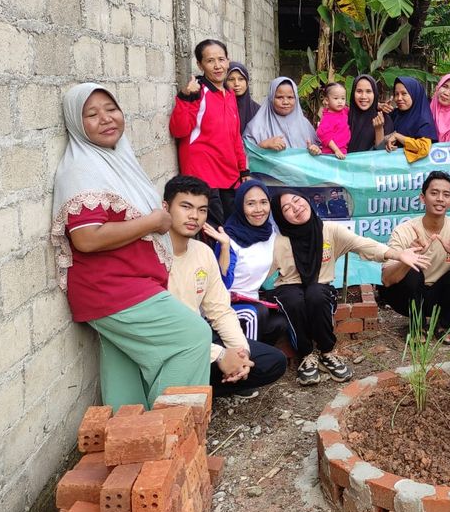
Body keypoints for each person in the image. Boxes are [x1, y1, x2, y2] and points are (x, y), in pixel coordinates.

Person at [52, 84, 210, 410]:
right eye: (91, 115)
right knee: (193, 337)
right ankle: (170, 434)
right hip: (112, 288)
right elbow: (86, 238)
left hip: (124, 285)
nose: (106, 119)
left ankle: (130, 441)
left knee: (124, 377)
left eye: (111, 109)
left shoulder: (113, 161)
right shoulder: (82, 167)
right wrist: (153, 223)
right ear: (75, 123)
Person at [271, 188, 428, 385]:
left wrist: (398, 255)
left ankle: (327, 352)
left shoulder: (329, 230)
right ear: (281, 216)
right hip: (289, 286)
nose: (296, 207)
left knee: (316, 294)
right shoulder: (278, 241)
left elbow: (364, 244)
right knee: (293, 299)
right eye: (287, 208)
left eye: (297, 200)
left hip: (319, 287)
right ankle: (306, 355)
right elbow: (258, 269)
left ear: (306, 200)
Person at [163, 175, 286, 398]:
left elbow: (220, 310)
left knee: (274, 362)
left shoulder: (203, 252)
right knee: (252, 315)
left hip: (203, 334)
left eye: (202, 210)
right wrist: (220, 355)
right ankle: (191, 388)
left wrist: (241, 353)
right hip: (173, 345)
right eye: (185, 207)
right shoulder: (154, 256)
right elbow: (164, 331)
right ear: (165, 207)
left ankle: (213, 386)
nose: (194, 216)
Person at [380, 172, 450, 343]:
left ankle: (444, 324)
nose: (440, 199)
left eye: (446, 194)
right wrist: (409, 257)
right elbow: (387, 280)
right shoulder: (405, 230)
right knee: (412, 269)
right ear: (423, 198)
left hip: (440, 297)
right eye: (434, 193)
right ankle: (417, 326)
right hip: (406, 297)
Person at [169, 39, 248, 228]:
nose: (218, 66)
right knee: (212, 231)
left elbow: (235, 136)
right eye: (210, 60)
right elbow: (179, 130)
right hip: (204, 177)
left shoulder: (229, 94)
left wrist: (243, 170)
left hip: (229, 176)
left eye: (221, 59)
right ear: (200, 64)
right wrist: (186, 98)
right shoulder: (198, 92)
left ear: (228, 61)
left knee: (231, 227)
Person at [215, 179, 288, 347]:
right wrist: (225, 247)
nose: (258, 210)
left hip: (253, 301)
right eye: (251, 204)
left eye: (263, 202)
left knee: (280, 322)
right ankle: (248, 365)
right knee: (256, 313)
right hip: (226, 304)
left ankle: (260, 360)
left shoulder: (269, 234)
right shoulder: (229, 237)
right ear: (240, 206)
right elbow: (221, 283)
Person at [244, 76, 321, 154]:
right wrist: (263, 145)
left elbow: (319, 150)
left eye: (290, 97)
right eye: (279, 97)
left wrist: (315, 150)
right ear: (271, 98)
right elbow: (244, 155)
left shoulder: (305, 125)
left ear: (296, 99)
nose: (285, 102)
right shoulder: (256, 127)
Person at [384, 76, 437, 162]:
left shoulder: (423, 119)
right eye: (396, 94)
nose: (399, 98)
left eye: (404, 93)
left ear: (414, 94)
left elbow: (423, 148)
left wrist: (398, 137)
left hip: (414, 172)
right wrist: (381, 110)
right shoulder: (395, 114)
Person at [347, 75, 392, 152]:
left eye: (368, 91)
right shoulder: (344, 116)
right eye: (359, 91)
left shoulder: (383, 119)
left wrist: (379, 129)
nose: (363, 96)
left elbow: (383, 156)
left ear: (375, 94)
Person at [316, 81, 350, 159]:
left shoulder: (344, 110)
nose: (340, 101)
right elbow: (324, 135)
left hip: (343, 151)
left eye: (343, 98)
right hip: (331, 153)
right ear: (327, 100)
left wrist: (377, 106)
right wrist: (336, 150)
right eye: (336, 98)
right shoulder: (327, 118)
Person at [225, 61, 260, 135]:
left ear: (247, 83)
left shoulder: (257, 110)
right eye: (231, 79)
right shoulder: (220, 108)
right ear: (224, 83)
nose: (236, 84)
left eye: (241, 79)